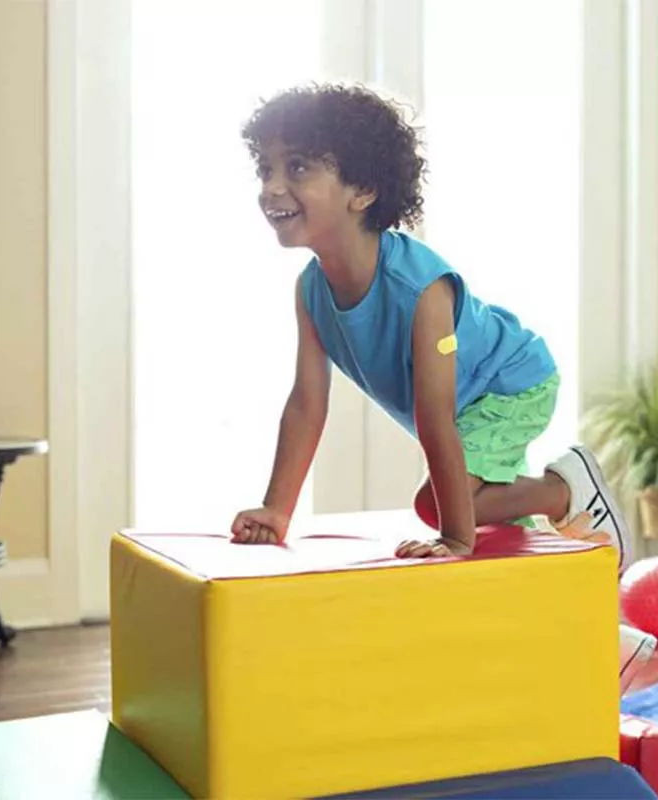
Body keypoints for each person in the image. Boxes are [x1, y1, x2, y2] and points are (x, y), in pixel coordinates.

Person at [230, 83, 632, 572]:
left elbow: (435, 415)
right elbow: (306, 405)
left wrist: (455, 539)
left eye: (296, 167)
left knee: (439, 505)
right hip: (460, 410)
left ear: (364, 190)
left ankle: (563, 489)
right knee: (486, 517)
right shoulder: (311, 291)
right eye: (265, 168)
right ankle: (573, 614)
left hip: (510, 384)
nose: (272, 186)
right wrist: (277, 510)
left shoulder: (419, 289)